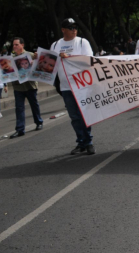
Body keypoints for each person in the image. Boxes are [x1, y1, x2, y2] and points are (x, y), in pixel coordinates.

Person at [51, 18, 96, 155]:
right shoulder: (55, 45)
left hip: (82, 85)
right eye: (71, 28)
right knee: (74, 117)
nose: (74, 30)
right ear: (63, 30)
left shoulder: (82, 42)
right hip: (65, 86)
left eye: (75, 27)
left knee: (83, 115)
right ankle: (81, 142)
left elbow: (89, 61)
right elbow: (49, 65)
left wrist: (68, 57)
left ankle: (88, 142)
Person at [10, 37, 43, 138]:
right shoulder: (11, 57)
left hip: (30, 85)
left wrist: (36, 60)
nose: (14, 46)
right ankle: (20, 129)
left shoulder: (31, 55)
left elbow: (40, 64)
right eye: (14, 45)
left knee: (34, 104)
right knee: (19, 108)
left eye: (16, 44)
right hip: (18, 86)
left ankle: (39, 122)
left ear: (22, 45)